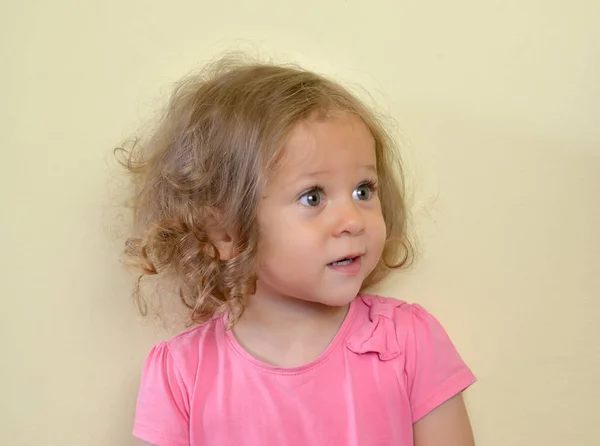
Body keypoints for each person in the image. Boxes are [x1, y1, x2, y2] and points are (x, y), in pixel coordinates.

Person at [119, 56, 476, 446]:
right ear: (226, 233)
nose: (353, 220)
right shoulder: (183, 375)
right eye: (313, 197)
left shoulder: (408, 344)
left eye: (363, 190)